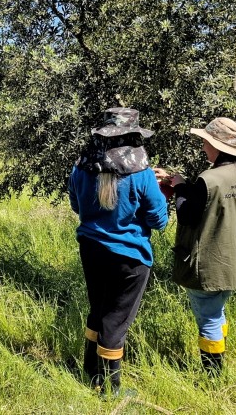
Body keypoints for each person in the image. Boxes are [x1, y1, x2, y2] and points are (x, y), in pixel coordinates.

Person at [68, 108, 169, 396]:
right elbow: (158, 220)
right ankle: (111, 391)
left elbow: (78, 206)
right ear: (133, 136)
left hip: (91, 248)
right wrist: (159, 192)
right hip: (130, 255)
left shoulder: (81, 167)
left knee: (98, 310)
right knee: (116, 320)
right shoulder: (142, 174)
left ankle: (89, 372)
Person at [169, 117, 236, 376]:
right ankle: (219, 360)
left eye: (205, 142)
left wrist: (178, 187)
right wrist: (188, 187)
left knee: (208, 319)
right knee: (217, 311)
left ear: (217, 146)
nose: (203, 147)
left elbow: (187, 214)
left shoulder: (208, 179)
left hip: (209, 262)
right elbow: (215, 204)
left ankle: (212, 377)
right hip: (235, 258)